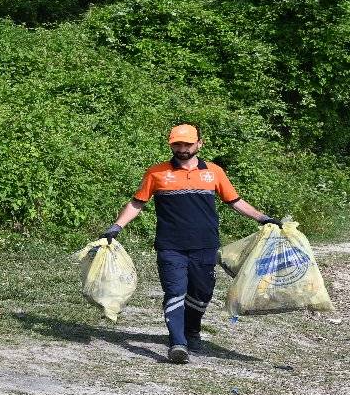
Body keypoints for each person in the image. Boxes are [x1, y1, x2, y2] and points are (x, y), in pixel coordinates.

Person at [102, 124, 279, 364]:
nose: (182, 149)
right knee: (175, 291)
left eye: (187, 144)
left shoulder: (214, 172)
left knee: (202, 293)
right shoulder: (156, 173)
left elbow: (235, 201)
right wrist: (116, 227)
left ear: (199, 144)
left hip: (205, 245)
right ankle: (178, 343)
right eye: (177, 144)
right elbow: (137, 204)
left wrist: (262, 218)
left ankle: (192, 331)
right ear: (171, 144)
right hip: (170, 245)